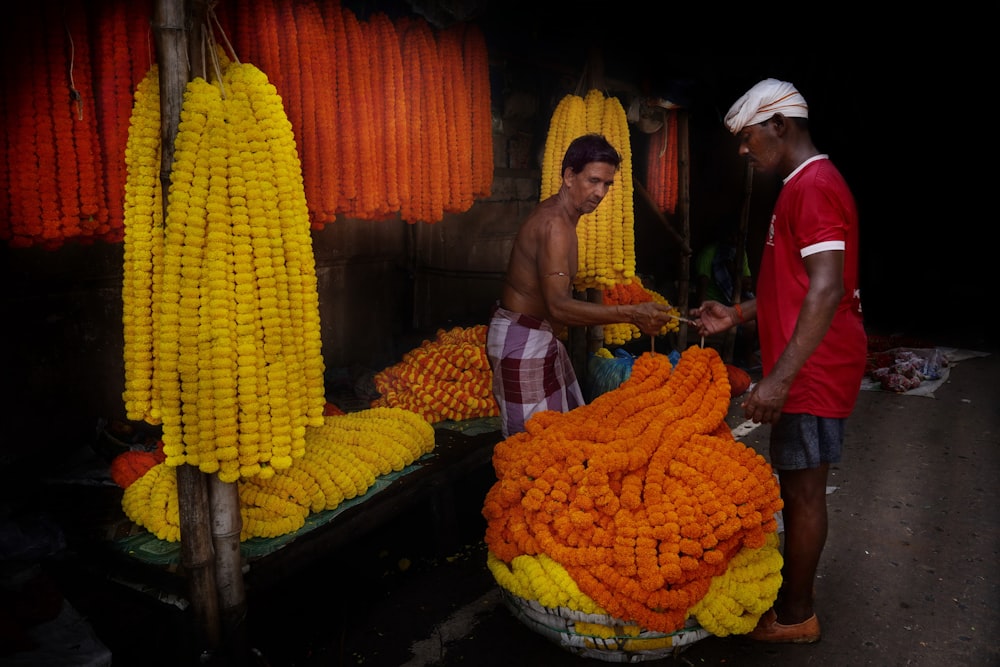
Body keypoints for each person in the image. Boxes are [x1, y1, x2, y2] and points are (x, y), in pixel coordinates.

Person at [690, 79, 866, 644]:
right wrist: (738, 316)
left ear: (780, 127)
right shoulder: (799, 185)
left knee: (803, 493)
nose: (743, 151)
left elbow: (824, 289)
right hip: (805, 365)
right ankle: (794, 607)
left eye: (748, 138)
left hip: (811, 369)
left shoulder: (813, 187)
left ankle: (795, 617)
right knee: (798, 486)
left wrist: (779, 379)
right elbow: (792, 282)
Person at [487, 133, 674, 438]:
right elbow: (559, 306)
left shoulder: (563, 218)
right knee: (530, 450)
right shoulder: (555, 226)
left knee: (559, 439)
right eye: (593, 180)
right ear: (569, 176)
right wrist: (633, 313)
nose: (600, 192)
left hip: (537, 335)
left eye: (607, 184)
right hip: (523, 340)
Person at [693, 219, 758, 367]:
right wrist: (701, 311)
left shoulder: (740, 254)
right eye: (730, 236)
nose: (734, 241)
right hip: (715, 302)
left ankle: (747, 353)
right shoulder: (709, 254)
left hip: (734, 299)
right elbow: (702, 285)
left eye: (737, 237)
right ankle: (746, 356)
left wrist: (733, 269)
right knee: (750, 324)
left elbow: (747, 283)